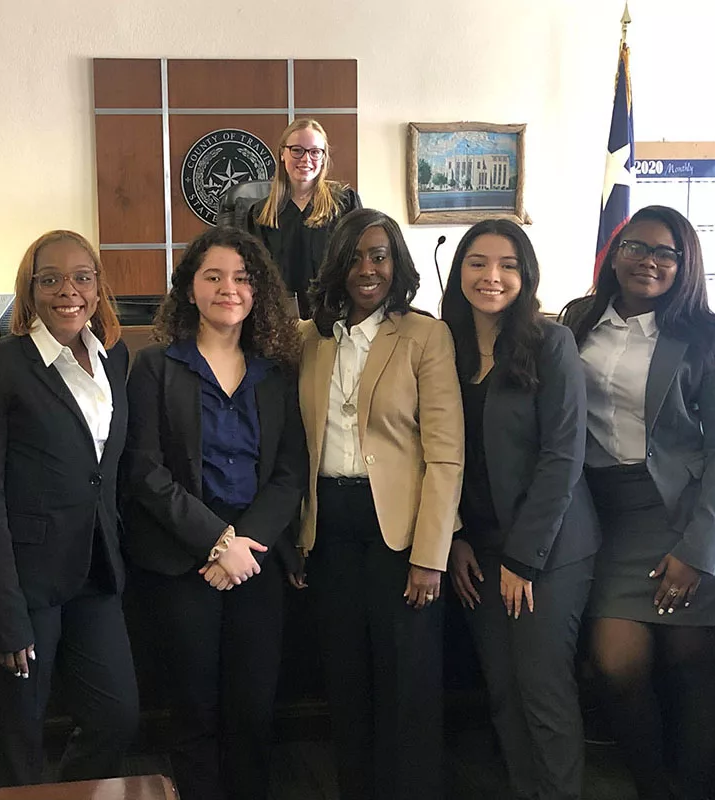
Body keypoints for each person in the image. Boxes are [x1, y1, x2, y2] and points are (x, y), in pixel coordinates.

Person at [560, 205, 715, 800]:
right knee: (617, 665)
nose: (649, 260)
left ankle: (692, 789)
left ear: (683, 263)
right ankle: (652, 785)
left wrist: (697, 552)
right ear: (614, 255)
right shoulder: (578, 321)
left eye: (666, 253)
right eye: (636, 247)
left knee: (691, 662)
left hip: (693, 515)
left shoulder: (708, 339)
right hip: (611, 514)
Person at [122, 225, 307, 800]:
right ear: (190, 289)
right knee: (193, 711)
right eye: (214, 276)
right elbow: (144, 471)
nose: (229, 288)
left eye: (243, 278)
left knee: (253, 711)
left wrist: (243, 544)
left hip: (255, 560)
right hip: (184, 559)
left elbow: (288, 472)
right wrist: (214, 542)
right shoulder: (155, 367)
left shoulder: (275, 374)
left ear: (258, 293)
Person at [0, 230, 138, 787]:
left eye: (83, 277)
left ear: (99, 287)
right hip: (27, 583)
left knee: (117, 718)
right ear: (29, 289)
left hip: (95, 571)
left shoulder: (113, 357)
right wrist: (3, 612)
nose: (69, 290)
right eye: (51, 278)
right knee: (18, 735)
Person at [296, 207, 463, 800]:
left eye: (379, 255)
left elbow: (446, 455)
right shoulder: (311, 340)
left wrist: (431, 555)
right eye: (355, 256)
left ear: (397, 264)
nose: (367, 268)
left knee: (407, 687)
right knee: (345, 684)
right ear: (335, 264)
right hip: (329, 530)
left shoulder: (424, 335)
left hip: (401, 534)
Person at [440, 220, 601, 800]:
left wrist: (523, 558)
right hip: (478, 548)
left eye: (507, 265)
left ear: (526, 275)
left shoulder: (550, 342)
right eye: (478, 263)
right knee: (502, 690)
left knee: (542, 690)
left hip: (547, 549)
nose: (492, 277)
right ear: (460, 271)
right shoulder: (446, 346)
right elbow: (440, 451)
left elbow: (564, 456)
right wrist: (452, 538)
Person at [246, 118, 361, 318]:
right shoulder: (260, 214)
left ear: (324, 157)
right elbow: (253, 275)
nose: (306, 159)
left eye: (315, 151)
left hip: (335, 319)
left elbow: (358, 263)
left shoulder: (345, 204)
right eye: (297, 150)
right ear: (283, 153)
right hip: (279, 322)